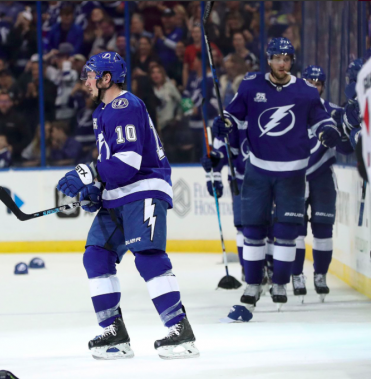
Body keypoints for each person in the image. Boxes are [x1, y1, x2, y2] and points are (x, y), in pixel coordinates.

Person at [56, 52, 199, 360]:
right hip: (119, 194)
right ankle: (114, 333)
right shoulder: (101, 113)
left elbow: (130, 162)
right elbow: (113, 165)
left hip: (143, 189)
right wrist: (97, 187)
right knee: (96, 255)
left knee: (147, 256)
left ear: (107, 78)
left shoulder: (125, 105)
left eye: (91, 75)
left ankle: (180, 329)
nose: (86, 82)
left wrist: (89, 173)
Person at [211, 38, 340, 309]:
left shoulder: (306, 91)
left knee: (285, 231)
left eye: (287, 58)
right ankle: (253, 283)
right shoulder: (251, 85)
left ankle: (280, 282)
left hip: (293, 172)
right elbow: (232, 115)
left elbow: (320, 119)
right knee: (253, 230)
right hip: (258, 170)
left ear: (292, 61)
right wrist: (223, 123)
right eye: (277, 58)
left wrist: (327, 129)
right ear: (268, 59)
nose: (282, 63)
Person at [290, 65, 354, 302]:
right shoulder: (290, 110)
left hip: (321, 176)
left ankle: (320, 275)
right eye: (309, 82)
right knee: (295, 230)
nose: (314, 87)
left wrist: (343, 132)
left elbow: (347, 148)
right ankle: (296, 275)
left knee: (323, 227)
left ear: (323, 86)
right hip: (294, 176)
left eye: (318, 83)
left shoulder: (334, 112)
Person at [0, 91, 28, 162]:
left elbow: (26, 139)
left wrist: (12, 148)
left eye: (6, 101)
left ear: (11, 103)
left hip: (14, 157)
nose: (3, 104)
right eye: (1, 101)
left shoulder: (18, 118)